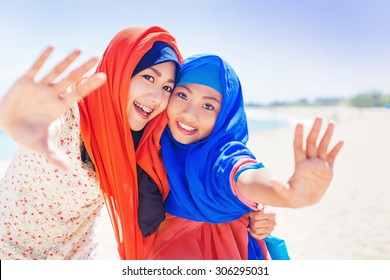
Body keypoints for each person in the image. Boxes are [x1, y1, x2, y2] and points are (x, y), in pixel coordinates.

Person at [0, 27, 274, 260]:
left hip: (78, 259)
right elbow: (40, 123)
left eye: (167, 87)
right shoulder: (70, 112)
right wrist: (15, 119)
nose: (156, 97)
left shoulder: (144, 135)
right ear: (121, 71)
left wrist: (248, 205)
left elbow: (199, 173)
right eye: (148, 77)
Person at [148, 54, 344, 259]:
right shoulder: (152, 146)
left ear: (226, 115)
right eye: (182, 95)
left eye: (208, 106)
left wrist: (288, 196)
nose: (189, 113)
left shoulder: (219, 156)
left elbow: (242, 174)